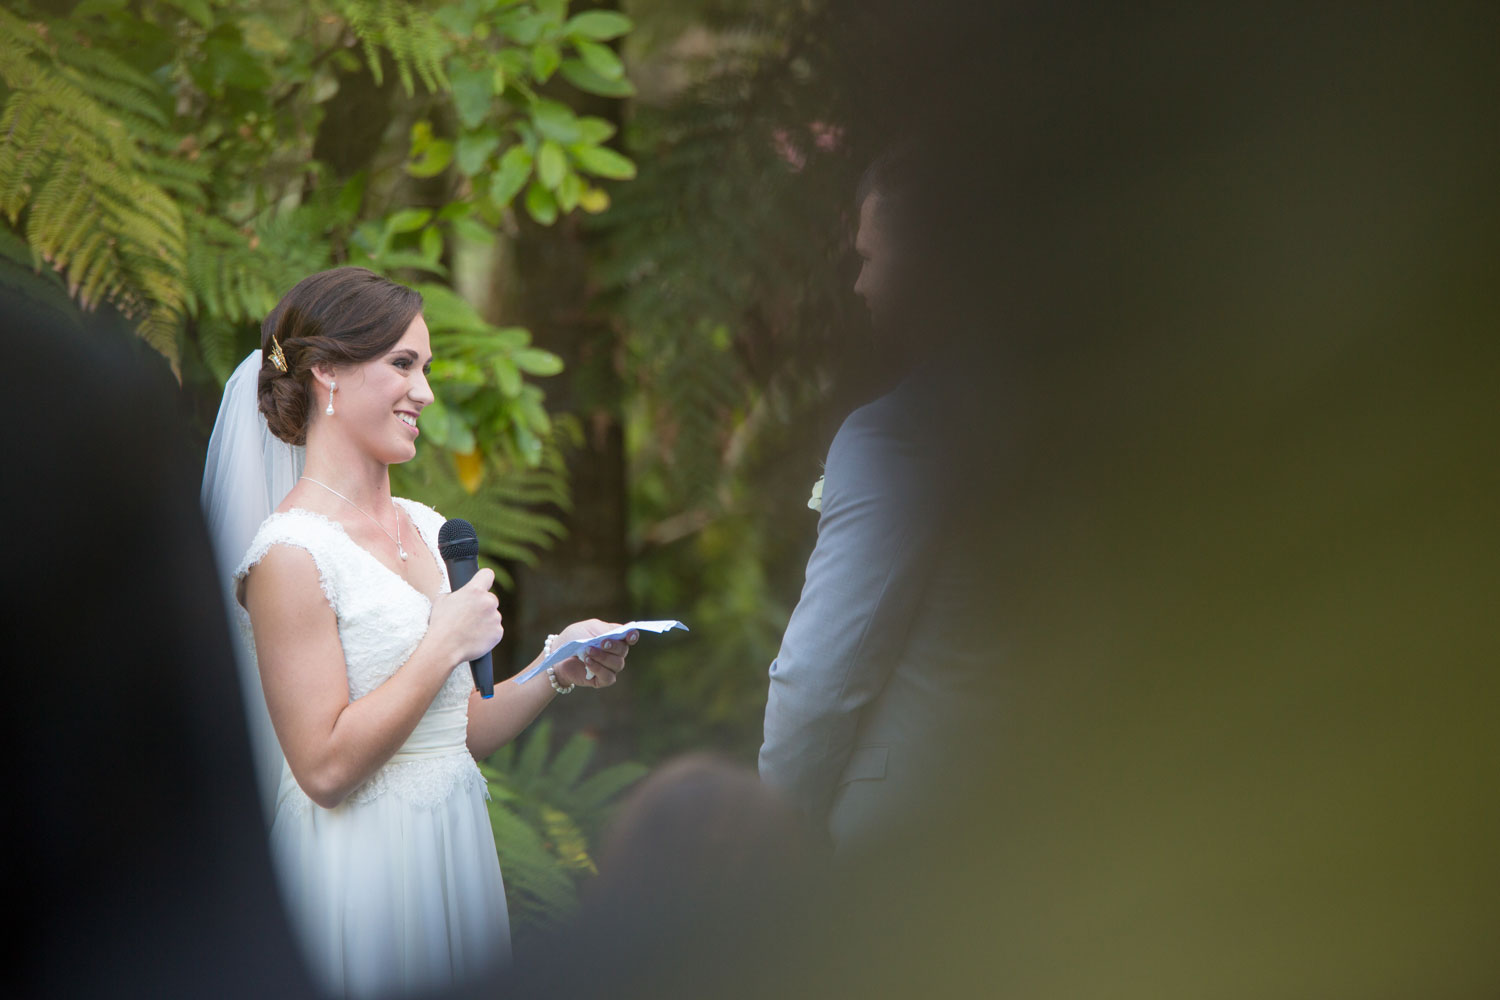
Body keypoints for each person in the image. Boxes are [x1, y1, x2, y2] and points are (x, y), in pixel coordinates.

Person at [203, 266, 639, 998]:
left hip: (452, 847)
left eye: (426, 368)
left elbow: (455, 729)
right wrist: (443, 642)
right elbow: (325, 769)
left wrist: (556, 664)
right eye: (402, 365)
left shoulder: (434, 532)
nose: (426, 394)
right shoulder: (289, 556)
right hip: (361, 873)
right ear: (328, 375)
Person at [757, 145, 1001, 855]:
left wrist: (777, 835)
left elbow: (820, 680)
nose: (859, 285)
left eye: (870, 258)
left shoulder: (896, 435)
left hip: (910, 844)